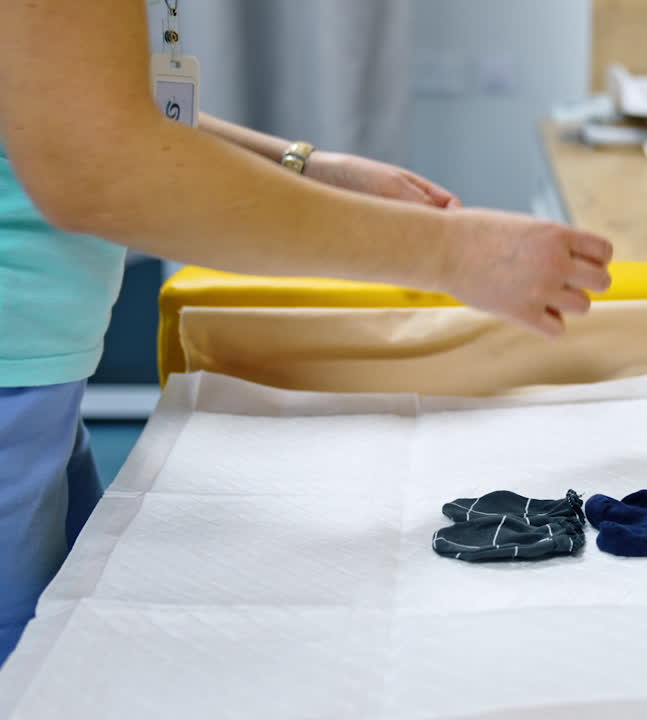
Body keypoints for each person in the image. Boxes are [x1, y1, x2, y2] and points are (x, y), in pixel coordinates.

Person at [0, 0, 613, 663]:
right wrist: (450, 254)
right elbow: (96, 163)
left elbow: (76, 98)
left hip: (38, 378)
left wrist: (305, 168)